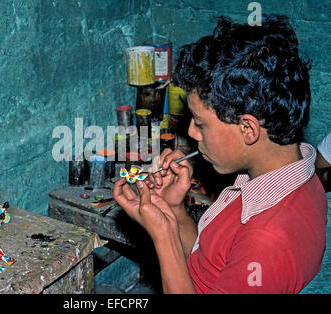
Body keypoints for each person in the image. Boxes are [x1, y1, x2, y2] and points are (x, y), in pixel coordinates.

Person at [113, 15, 328, 293]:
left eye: (201, 123)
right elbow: (209, 262)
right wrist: (175, 212)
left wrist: (163, 237)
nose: (191, 132)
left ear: (248, 129)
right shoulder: (291, 178)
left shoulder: (267, 239)